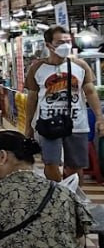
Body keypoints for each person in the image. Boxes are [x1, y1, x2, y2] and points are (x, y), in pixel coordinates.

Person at [23, 26, 104, 182]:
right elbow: (32, 98)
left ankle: (74, 197)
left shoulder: (80, 66)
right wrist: (28, 127)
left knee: (75, 166)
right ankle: (57, 193)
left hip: (77, 123)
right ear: (48, 45)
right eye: (60, 42)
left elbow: (91, 92)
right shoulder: (37, 68)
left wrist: (100, 118)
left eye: (68, 41)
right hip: (47, 123)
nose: (65, 45)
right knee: (50, 163)